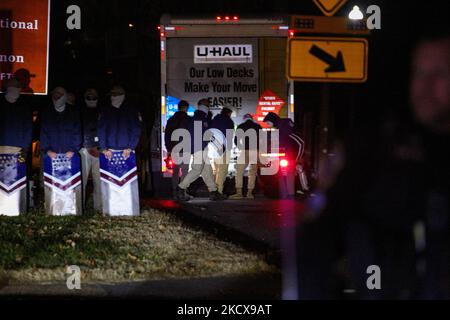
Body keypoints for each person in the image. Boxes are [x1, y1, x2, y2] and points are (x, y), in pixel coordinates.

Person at [296, 33, 450, 299]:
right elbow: (318, 240)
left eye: (439, 73)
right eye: (419, 72)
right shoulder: (377, 151)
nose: (425, 86)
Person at [97, 85, 142, 216]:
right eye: (112, 95)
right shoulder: (105, 110)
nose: (113, 97)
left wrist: (131, 147)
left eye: (116, 95)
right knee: (110, 182)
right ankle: (111, 211)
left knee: (127, 183)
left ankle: (128, 211)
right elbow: (101, 129)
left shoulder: (132, 110)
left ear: (122, 95)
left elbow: (136, 130)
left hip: (126, 152)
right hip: (110, 151)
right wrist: (104, 148)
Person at [40, 86, 82, 215]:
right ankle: (53, 211)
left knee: (72, 184)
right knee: (51, 185)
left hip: (70, 154)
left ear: (64, 96)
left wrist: (73, 149)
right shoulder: (46, 113)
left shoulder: (74, 113)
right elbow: (43, 133)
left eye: (59, 95)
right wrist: (47, 150)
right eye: (55, 95)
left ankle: (72, 211)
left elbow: (77, 133)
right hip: (52, 155)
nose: (56, 97)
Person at [176, 99, 226, 201]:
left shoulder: (199, 118)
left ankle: (213, 192)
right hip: (199, 147)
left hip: (200, 147)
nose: (209, 107)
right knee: (197, 169)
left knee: (207, 170)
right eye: (208, 105)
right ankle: (181, 188)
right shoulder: (200, 119)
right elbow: (203, 134)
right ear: (205, 107)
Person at [0, 78, 33, 216]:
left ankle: (18, 209)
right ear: (7, 89)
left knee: (18, 181)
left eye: (18, 88)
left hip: (17, 149)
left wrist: (25, 148)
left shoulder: (24, 107)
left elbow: (28, 128)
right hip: (0, 147)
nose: (16, 90)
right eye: (13, 88)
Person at [263, 112, 305, 199]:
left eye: (268, 123)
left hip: (290, 156)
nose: (267, 125)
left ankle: (291, 195)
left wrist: (297, 158)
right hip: (281, 157)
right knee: (280, 175)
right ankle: (285, 195)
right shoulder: (277, 130)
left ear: (272, 120)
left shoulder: (285, 128)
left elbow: (300, 142)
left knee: (290, 174)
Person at [229, 113, 262, 199]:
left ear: (244, 119)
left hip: (244, 151)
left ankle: (239, 193)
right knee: (252, 173)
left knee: (239, 171)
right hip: (255, 151)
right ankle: (249, 193)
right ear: (252, 118)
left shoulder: (241, 126)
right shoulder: (258, 126)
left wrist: (240, 148)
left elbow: (236, 140)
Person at [164, 100, 191, 198]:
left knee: (175, 171)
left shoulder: (171, 119)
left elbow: (167, 135)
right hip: (185, 149)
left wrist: (169, 148)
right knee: (185, 171)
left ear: (178, 107)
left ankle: (175, 192)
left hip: (174, 149)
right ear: (186, 108)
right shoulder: (188, 119)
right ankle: (182, 192)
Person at [80, 88, 101, 211]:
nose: (91, 99)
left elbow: (103, 129)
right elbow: (79, 130)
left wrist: (99, 146)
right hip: (84, 149)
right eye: (89, 97)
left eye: (94, 97)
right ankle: (80, 205)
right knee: (82, 179)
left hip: (98, 149)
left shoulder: (102, 111)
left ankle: (99, 206)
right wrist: (89, 146)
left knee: (99, 180)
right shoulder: (80, 111)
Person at [211, 107, 235, 195]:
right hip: (224, 147)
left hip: (214, 147)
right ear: (228, 113)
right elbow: (230, 135)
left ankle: (212, 191)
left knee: (215, 170)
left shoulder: (215, 119)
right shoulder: (228, 121)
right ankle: (219, 192)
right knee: (222, 170)